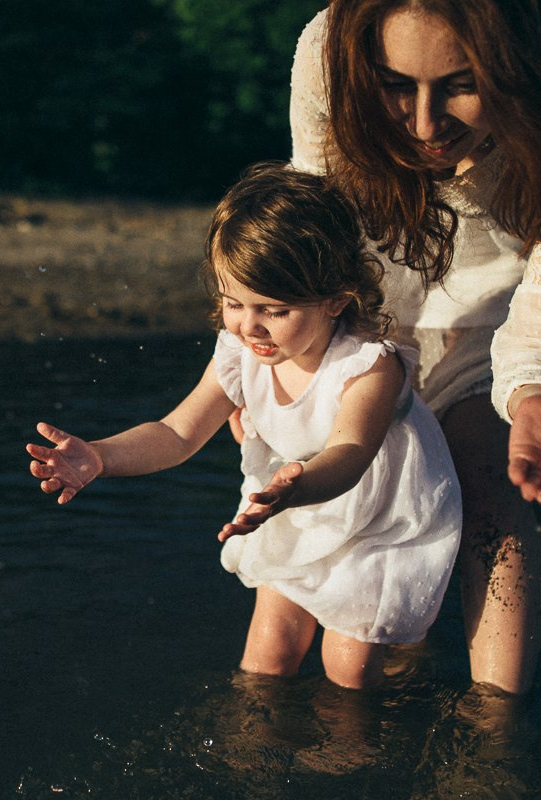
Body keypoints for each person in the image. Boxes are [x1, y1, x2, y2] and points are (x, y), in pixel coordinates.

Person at [286, 0, 541, 693]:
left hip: (510, 311)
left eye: (461, 84)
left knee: (489, 484)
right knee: (363, 472)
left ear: (525, 67)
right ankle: (400, 648)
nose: (425, 125)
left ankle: (494, 740)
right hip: (370, 294)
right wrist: (283, 362)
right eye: (397, 85)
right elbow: (315, 223)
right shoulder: (330, 52)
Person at [26, 163, 462, 689]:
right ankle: (254, 749)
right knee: (267, 655)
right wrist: (102, 456)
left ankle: (374, 741)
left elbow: (349, 456)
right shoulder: (240, 351)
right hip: (286, 502)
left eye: (273, 310)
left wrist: (295, 484)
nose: (248, 326)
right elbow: (177, 432)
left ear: (335, 300)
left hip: (375, 517)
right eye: (234, 303)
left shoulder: (368, 367)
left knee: (349, 669)